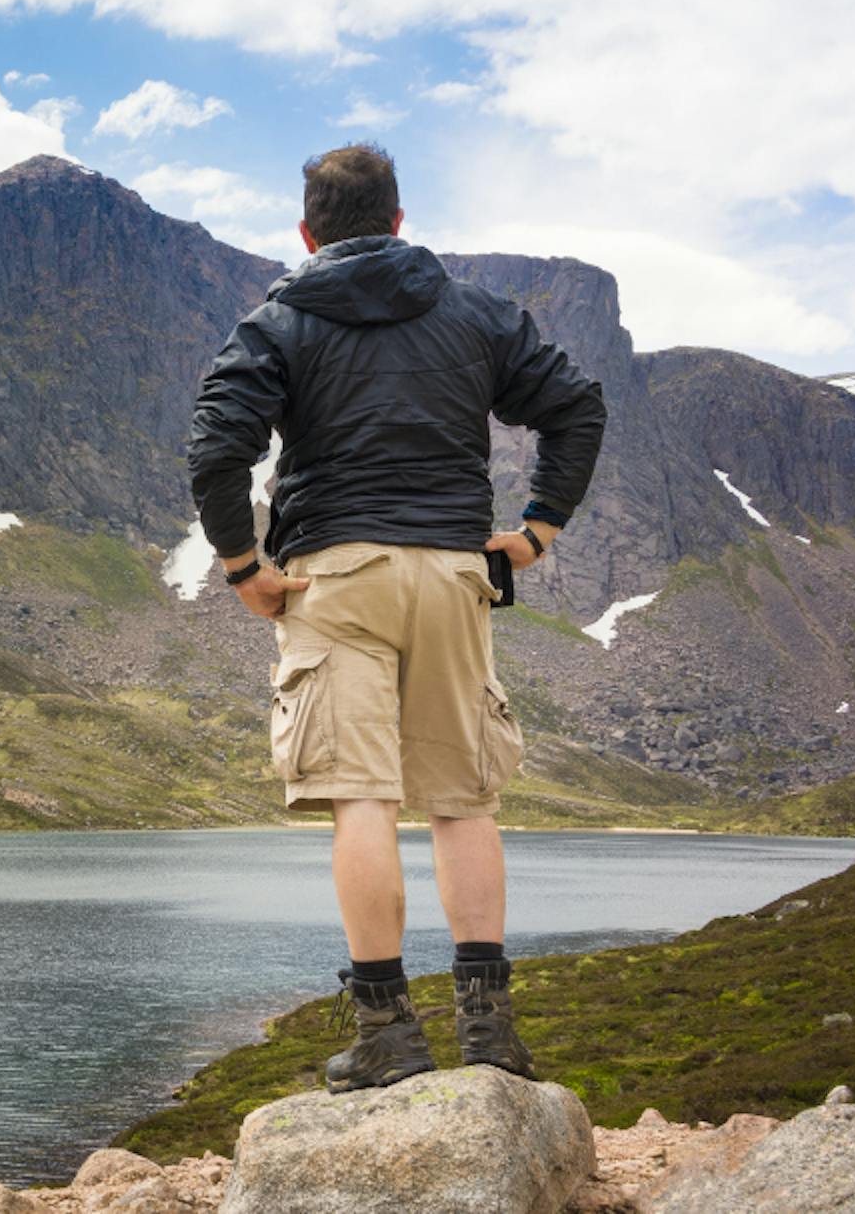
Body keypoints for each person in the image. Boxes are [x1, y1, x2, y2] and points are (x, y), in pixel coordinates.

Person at [186, 143, 607, 1093]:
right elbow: (576, 406)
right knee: (464, 799)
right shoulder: (475, 314)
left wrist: (244, 567)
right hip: (456, 572)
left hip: (337, 573)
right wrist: (536, 531)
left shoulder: (281, 320)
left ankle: (387, 1035)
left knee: (361, 796)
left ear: (308, 231)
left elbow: (218, 448)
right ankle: (490, 1032)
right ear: (399, 222)